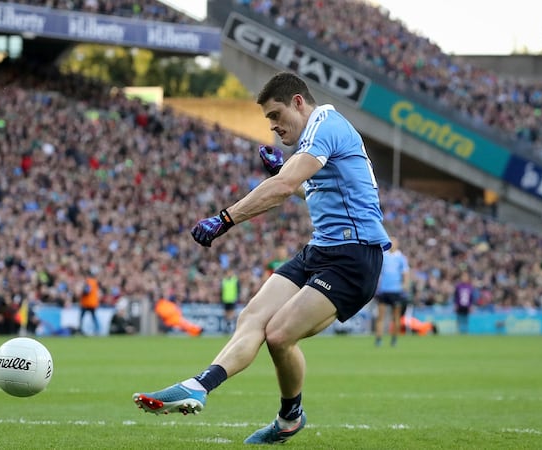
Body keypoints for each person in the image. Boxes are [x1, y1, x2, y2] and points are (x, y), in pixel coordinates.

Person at [133, 72, 390, 445]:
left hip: (354, 256)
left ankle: (290, 419)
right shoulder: (316, 138)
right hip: (321, 249)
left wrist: (224, 219)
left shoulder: (326, 125)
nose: (273, 127)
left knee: (279, 334)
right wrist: (281, 172)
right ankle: (199, 386)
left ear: (298, 103)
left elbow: (284, 188)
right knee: (251, 315)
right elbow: (309, 189)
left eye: (276, 115)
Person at [373, 236, 410, 347]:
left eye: (394, 241)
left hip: (396, 291)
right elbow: (378, 272)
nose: (392, 244)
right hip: (383, 291)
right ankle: (379, 339)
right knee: (381, 316)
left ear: (397, 243)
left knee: (396, 317)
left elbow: (406, 274)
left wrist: (405, 286)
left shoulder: (401, 258)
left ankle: (394, 339)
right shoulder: (384, 256)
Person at [220, 269, 240, 333]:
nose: (229, 274)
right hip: (225, 300)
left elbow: (238, 290)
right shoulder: (224, 280)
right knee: (226, 314)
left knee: (232, 314)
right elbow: (222, 291)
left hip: (232, 300)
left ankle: (233, 327)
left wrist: (237, 297)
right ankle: (227, 327)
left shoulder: (235, 280)